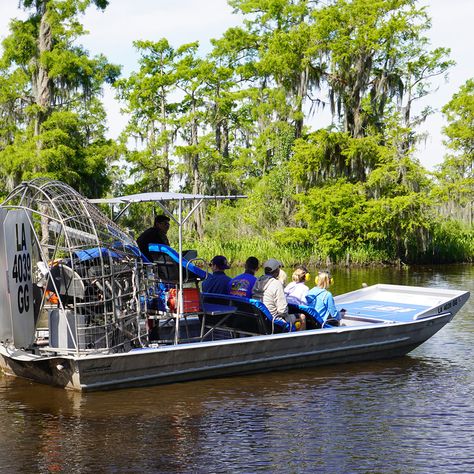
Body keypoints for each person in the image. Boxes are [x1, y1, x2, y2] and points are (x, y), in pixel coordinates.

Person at [252, 258, 294, 326]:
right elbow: (282, 311)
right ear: (277, 271)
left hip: (259, 320)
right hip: (274, 322)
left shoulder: (257, 281)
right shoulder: (277, 284)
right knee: (301, 317)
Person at [284, 266, 309, 330]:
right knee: (303, 317)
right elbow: (304, 305)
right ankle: (302, 334)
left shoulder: (290, 284)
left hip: (287, 309)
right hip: (296, 311)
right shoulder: (305, 288)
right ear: (306, 277)